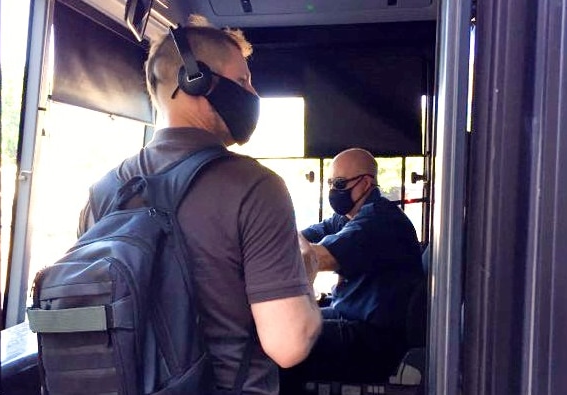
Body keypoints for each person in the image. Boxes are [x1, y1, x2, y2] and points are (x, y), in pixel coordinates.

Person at [78, 15, 321, 395]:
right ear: (196, 80)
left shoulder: (103, 191)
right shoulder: (257, 187)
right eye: (243, 81)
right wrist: (306, 276)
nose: (253, 94)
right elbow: (289, 344)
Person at [281, 148, 424, 393]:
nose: (333, 191)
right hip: (350, 317)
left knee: (287, 342)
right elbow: (302, 238)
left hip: (374, 339)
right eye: (330, 183)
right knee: (284, 327)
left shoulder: (379, 221)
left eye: (339, 183)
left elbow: (318, 258)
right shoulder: (347, 217)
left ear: (366, 183)